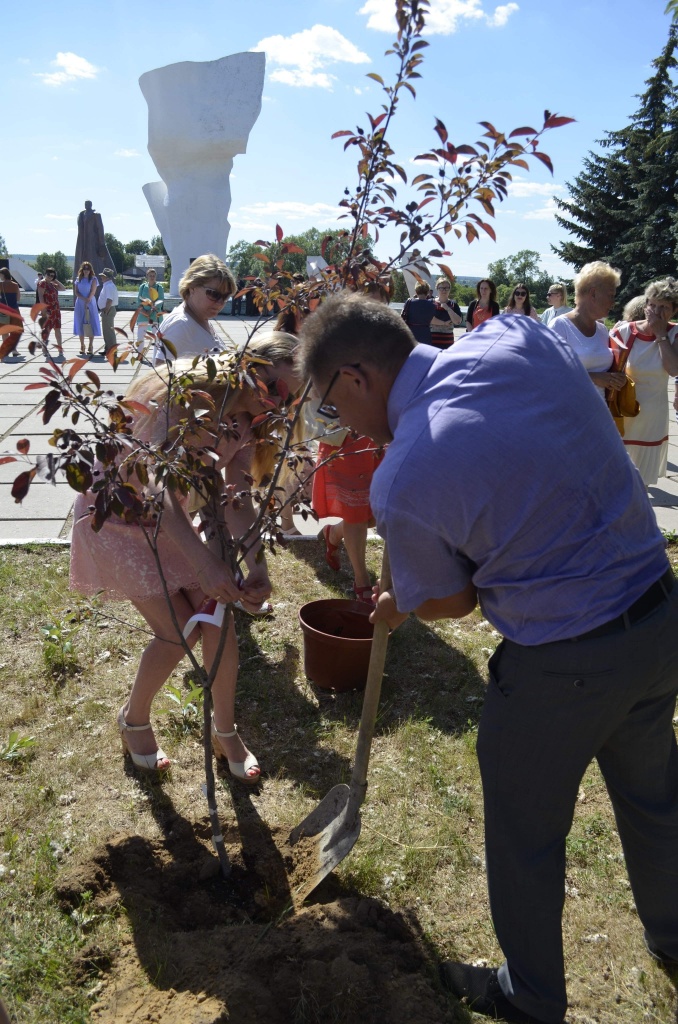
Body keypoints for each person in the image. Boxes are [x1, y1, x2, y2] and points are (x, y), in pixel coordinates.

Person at [298, 293, 678, 1024]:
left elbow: (454, 601)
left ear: (354, 377)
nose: (340, 423)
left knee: (526, 836)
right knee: (656, 797)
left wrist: (400, 604)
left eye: (332, 406)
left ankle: (530, 996)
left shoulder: (405, 476)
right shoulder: (516, 335)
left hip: (565, 665)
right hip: (659, 616)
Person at [69, 333, 300, 778]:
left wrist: (257, 567)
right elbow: (156, 488)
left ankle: (225, 731)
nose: (276, 404)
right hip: (119, 520)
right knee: (178, 634)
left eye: (290, 399)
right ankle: (132, 718)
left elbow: (234, 497)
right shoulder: (179, 398)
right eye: (273, 388)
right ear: (248, 365)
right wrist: (203, 561)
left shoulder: (250, 419)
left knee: (218, 618)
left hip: (171, 521)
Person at [609, 277, 678, 487]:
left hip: (652, 417)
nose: (656, 312)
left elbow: (674, 369)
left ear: (673, 310)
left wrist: (660, 334)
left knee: (641, 483)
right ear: (645, 304)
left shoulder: (675, 333)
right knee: (616, 479)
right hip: (622, 414)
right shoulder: (624, 331)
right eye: (652, 305)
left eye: (663, 307)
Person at [549, 262, 625, 400]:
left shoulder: (602, 330)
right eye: (611, 295)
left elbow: (604, 370)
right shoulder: (559, 326)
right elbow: (548, 376)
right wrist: (594, 378)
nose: (613, 302)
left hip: (599, 414)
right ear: (593, 293)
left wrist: (617, 379)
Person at [151, 254, 234, 365]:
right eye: (214, 294)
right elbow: (160, 377)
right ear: (192, 287)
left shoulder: (199, 318)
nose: (220, 302)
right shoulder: (181, 325)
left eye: (226, 296)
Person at [74, 200, 115, 278]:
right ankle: (82, 276)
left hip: (93, 241)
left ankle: (97, 277)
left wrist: (102, 244)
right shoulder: (82, 215)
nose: (87, 205)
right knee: (83, 259)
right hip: (83, 243)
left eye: (88, 204)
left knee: (94, 260)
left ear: (91, 205)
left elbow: (100, 229)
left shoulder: (96, 215)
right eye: (86, 204)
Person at [73, 262, 101, 358]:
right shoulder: (78, 279)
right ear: (82, 269)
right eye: (84, 269)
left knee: (90, 322)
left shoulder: (93, 279)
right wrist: (83, 299)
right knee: (80, 322)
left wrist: (87, 300)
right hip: (80, 302)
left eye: (88, 269)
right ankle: (82, 345)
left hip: (90, 302)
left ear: (90, 270)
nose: (86, 271)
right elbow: (76, 292)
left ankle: (90, 345)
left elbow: (93, 291)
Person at [37, 267, 66, 359]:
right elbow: (41, 297)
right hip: (48, 310)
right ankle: (44, 348)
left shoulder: (53, 284)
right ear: (45, 274)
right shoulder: (42, 284)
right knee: (47, 330)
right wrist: (43, 310)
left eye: (52, 275)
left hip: (56, 310)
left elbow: (63, 288)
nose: (50, 277)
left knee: (58, 329)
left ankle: (60, 349)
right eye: (48, 274)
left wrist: (55, 279)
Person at [134, 268, 164, 351]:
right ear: (147, 276)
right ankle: (140, 355)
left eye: (154, 276)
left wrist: (151, 311)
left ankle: (156, 358)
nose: (152, 277)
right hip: (143, 315)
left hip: (155, 316)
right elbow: (139, 300)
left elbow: (160, 301)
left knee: (156, 338)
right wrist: (143, 311)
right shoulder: (143, 287)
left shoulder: (159, 287)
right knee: (140, 336)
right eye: (150, 275)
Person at [430, 277, 462, 348]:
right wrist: (444, 323)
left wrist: (448, 308)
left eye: (447, 288)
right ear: (437, 288)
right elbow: (428, 319)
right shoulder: (431, 303)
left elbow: (458, 321)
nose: (444, 290)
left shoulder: (453, 304)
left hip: (448, 341)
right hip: (432, 340)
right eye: (441, 288)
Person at [0, 268, 24, 360]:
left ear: (3, 275)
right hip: (14, 310)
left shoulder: (0, 285)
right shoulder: (15, 285)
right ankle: (14, 350)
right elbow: (18, 298)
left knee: (4, 331)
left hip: (3, 311)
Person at [97, 269, 119, 354]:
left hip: (108, 310)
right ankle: (108, 349)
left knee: (109, 332)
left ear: (107, 277)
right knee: (107, 332)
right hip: (108, 310)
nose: (101, 277)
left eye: (103, 276)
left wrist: (106, 310)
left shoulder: (109, 286)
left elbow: (109, 300)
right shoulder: (108, 285)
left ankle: (113, 351)